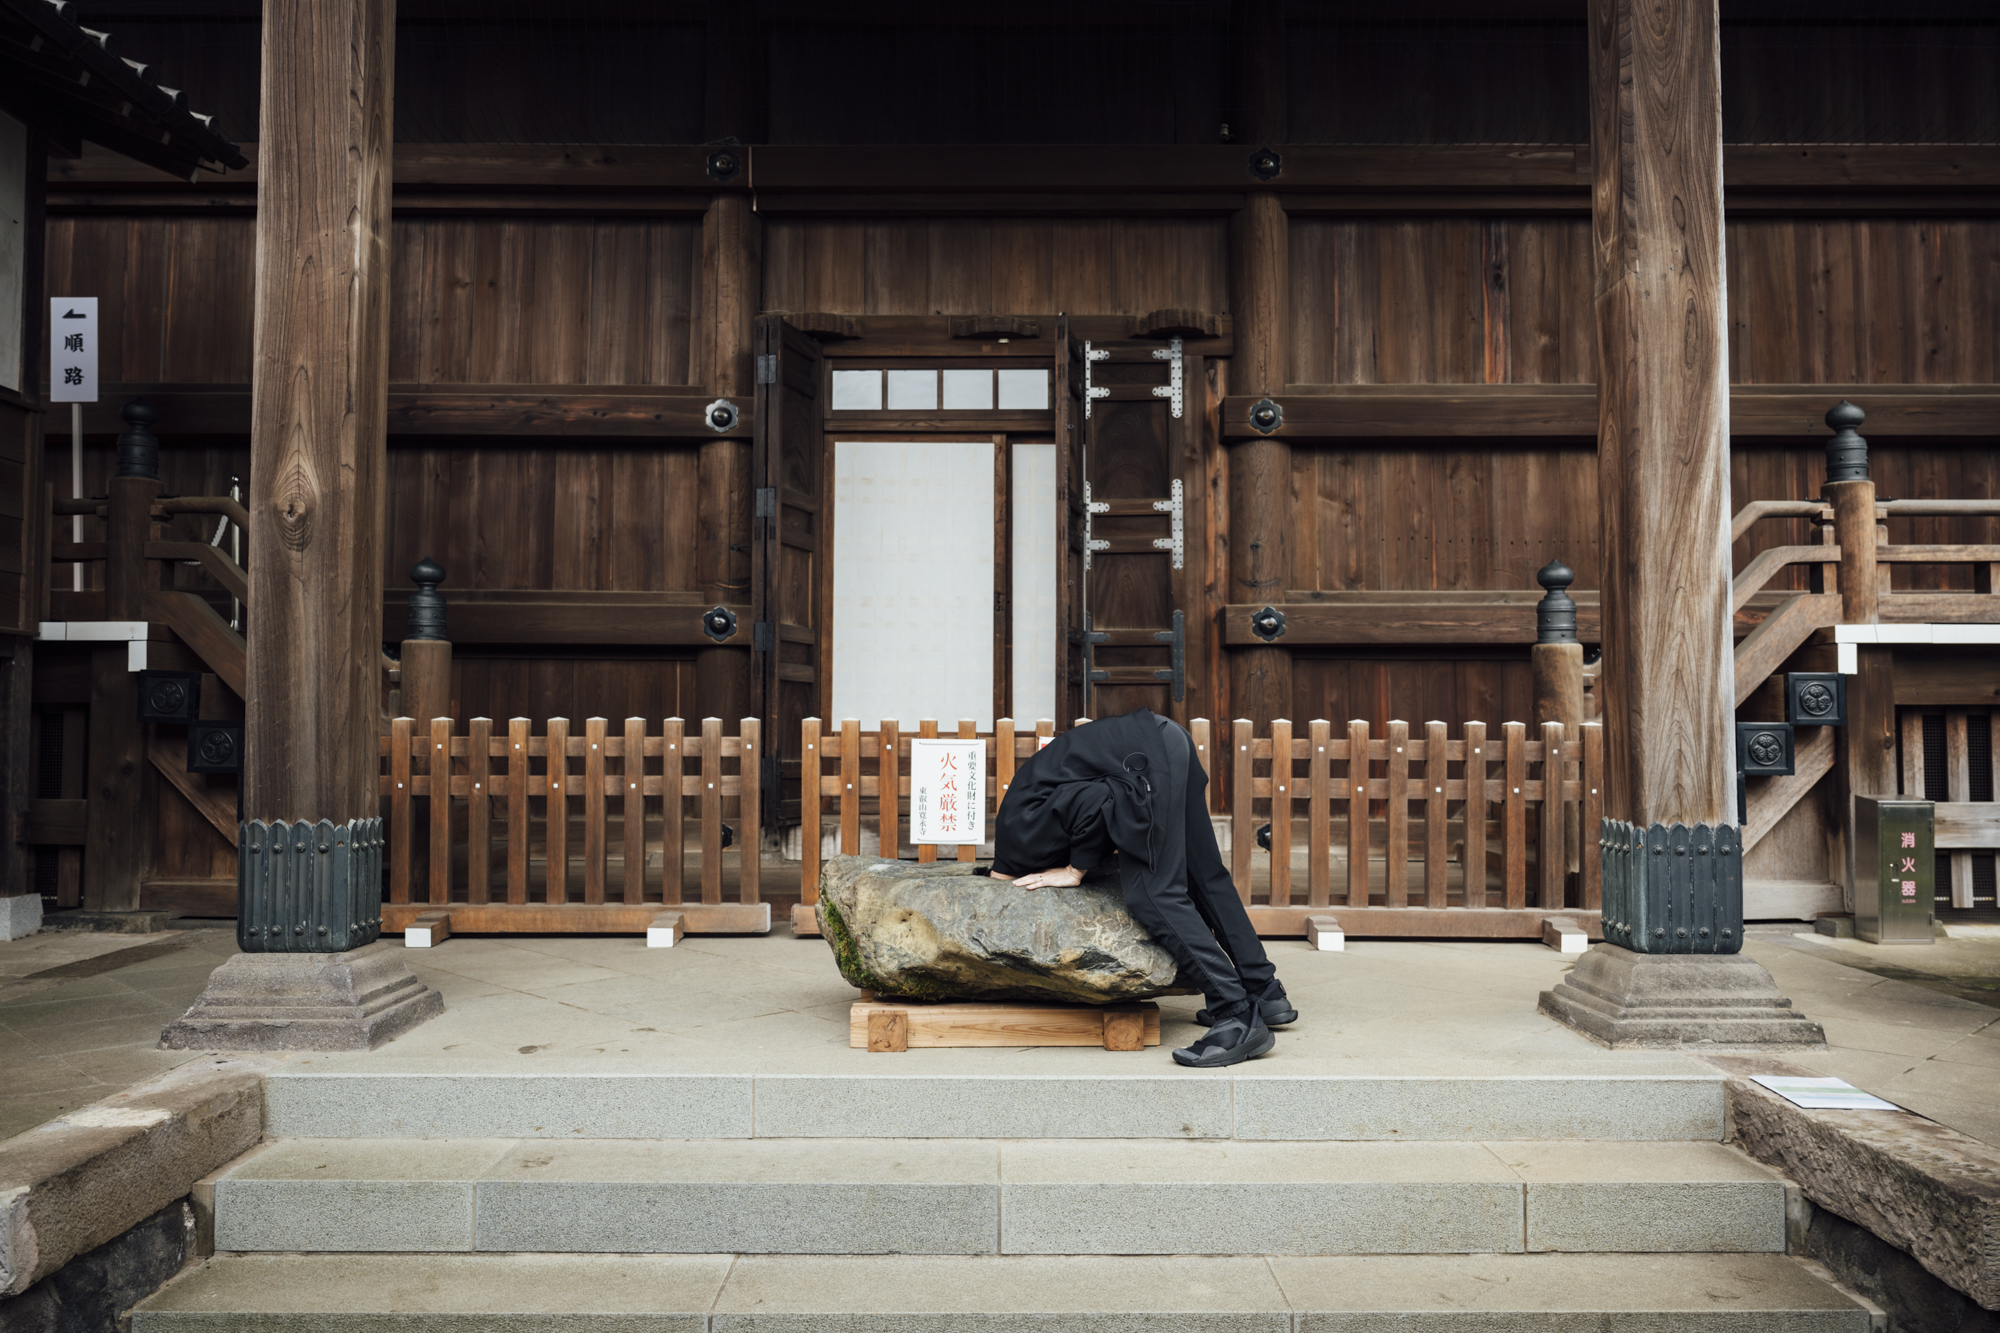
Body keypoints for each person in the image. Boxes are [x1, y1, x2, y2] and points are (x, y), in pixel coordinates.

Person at [989, 707, 1294, 1067]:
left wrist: (1074, 869)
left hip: (1142, 763)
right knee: (1203, 874)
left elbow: (1097, 803)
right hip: (1162, 740)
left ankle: (1236, 1014)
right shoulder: (1020, 824)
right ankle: (1264, 991)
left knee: (1153, 892)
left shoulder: (1022, 836)